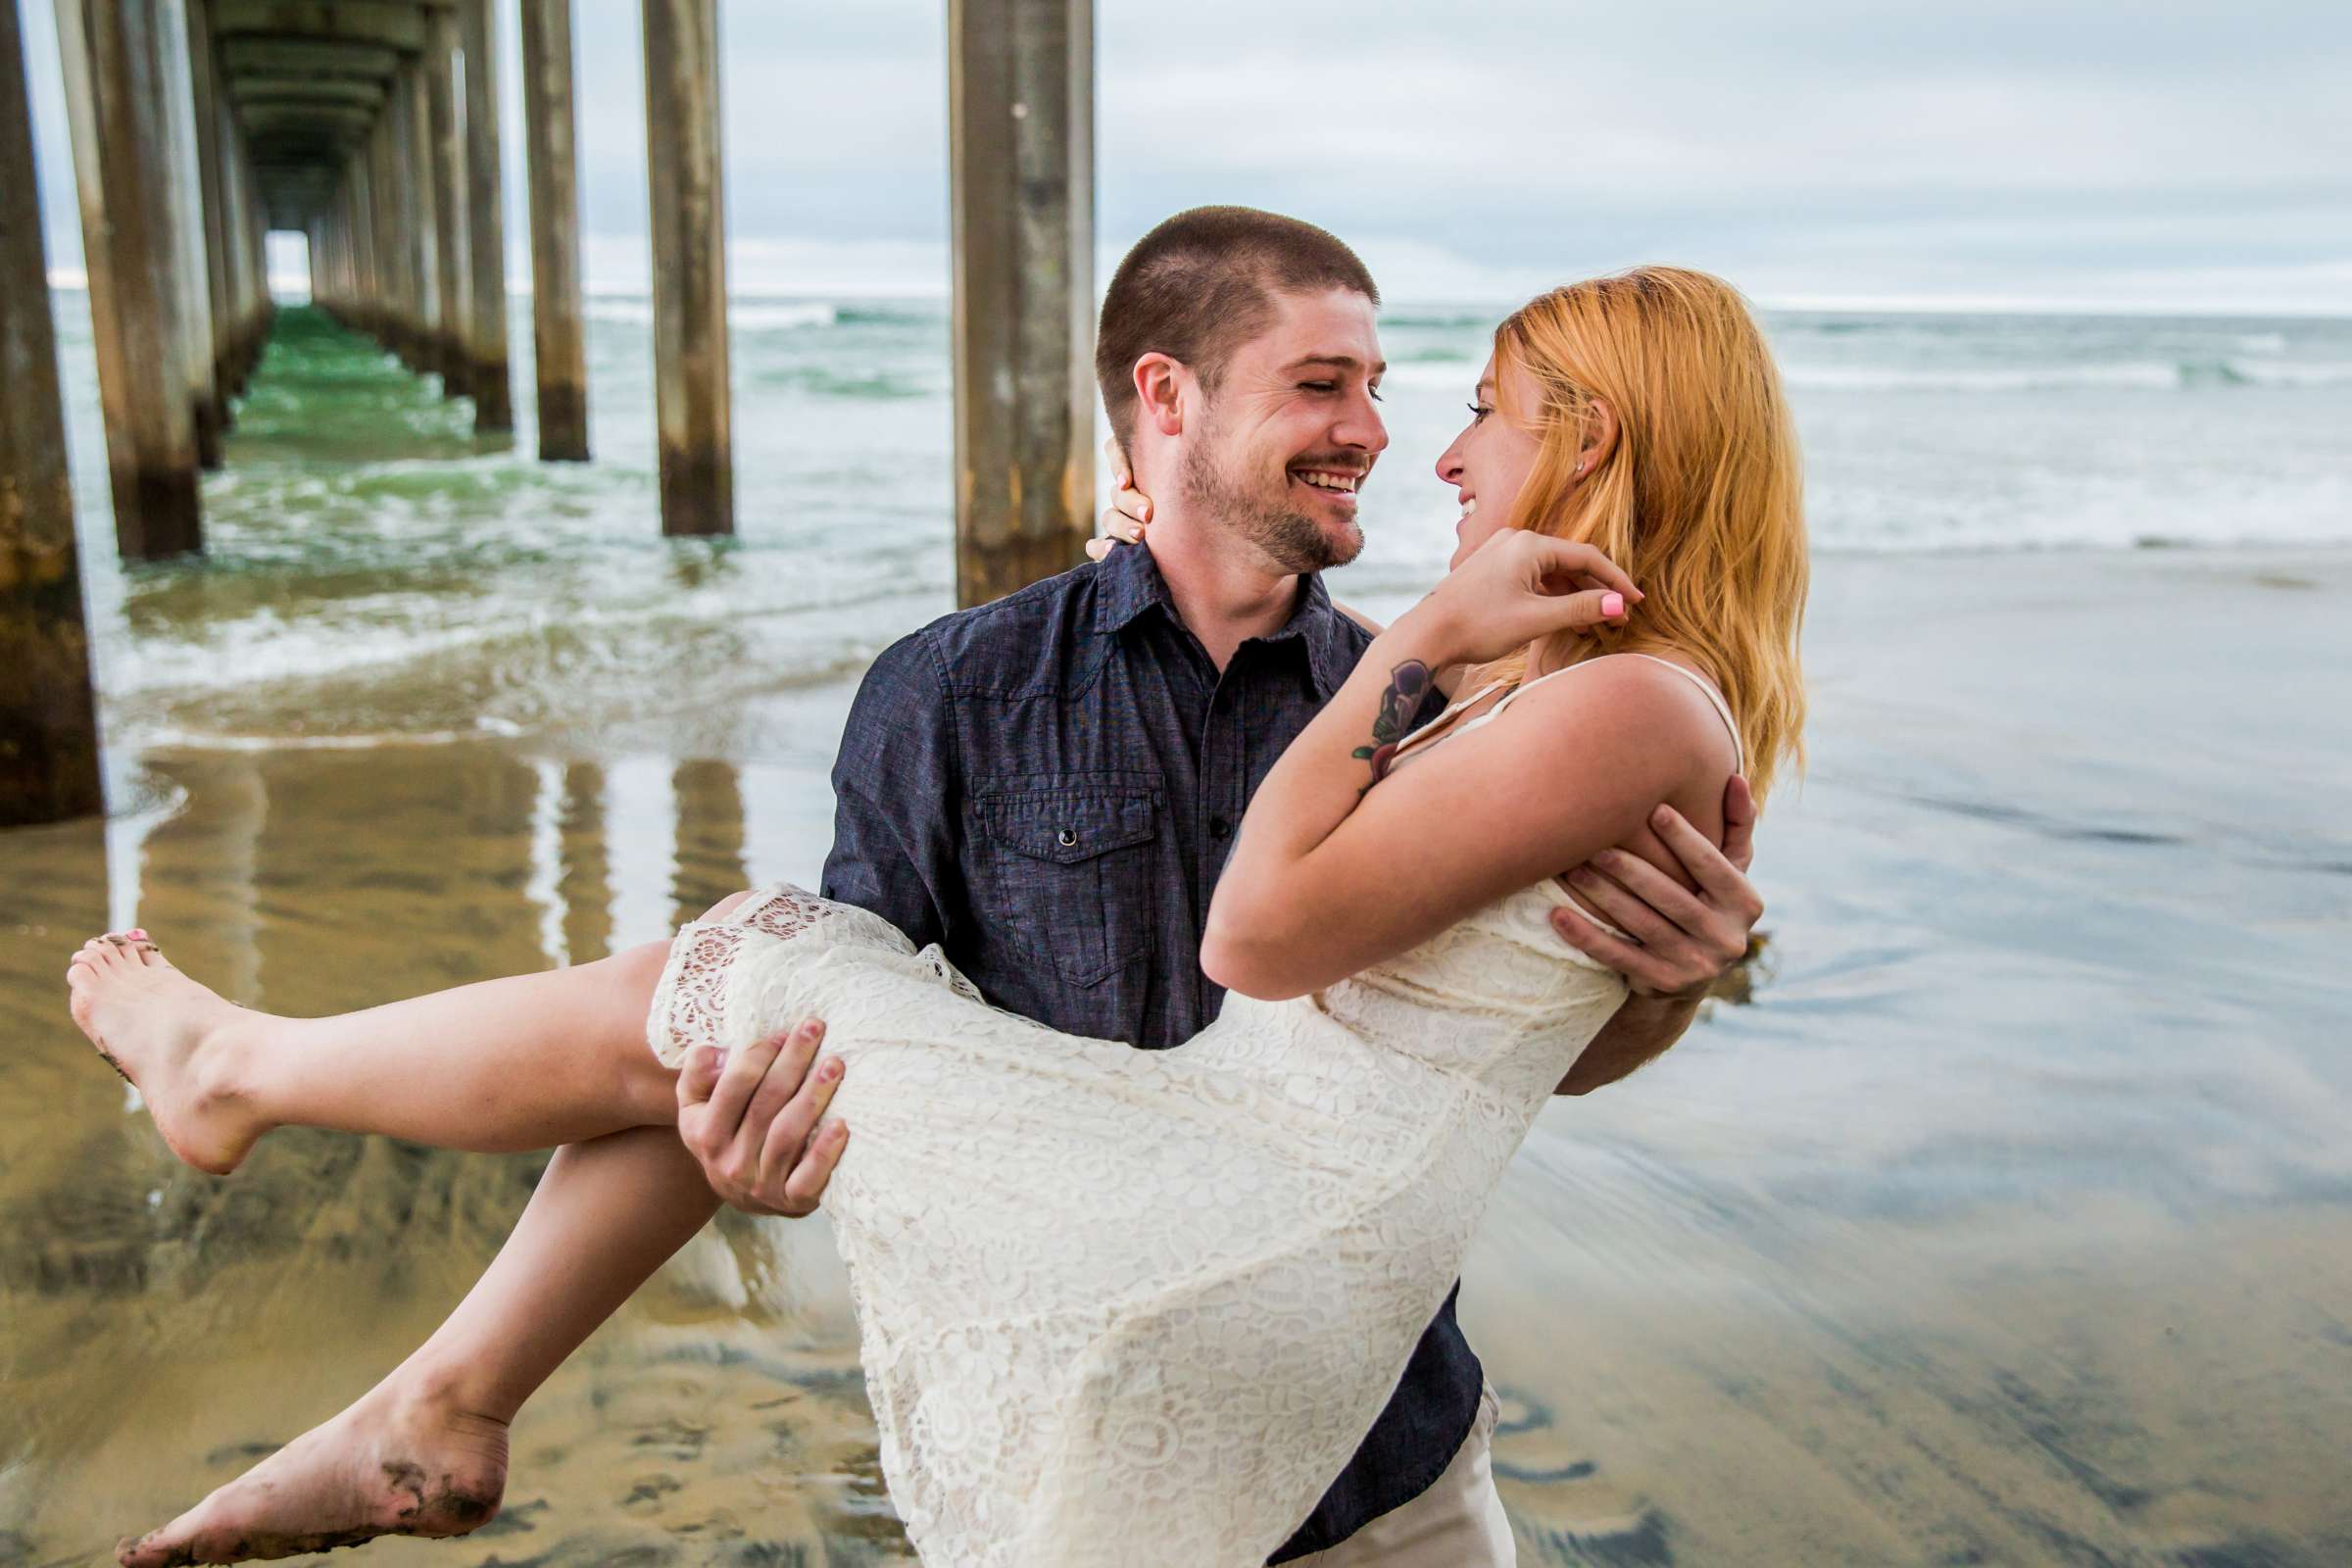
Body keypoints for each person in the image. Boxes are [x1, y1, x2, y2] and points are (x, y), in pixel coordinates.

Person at [66, 215, 1797, 1568]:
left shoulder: (1428, 695)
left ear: (1598, 430)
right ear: (1164, 400)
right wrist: (744, 1153)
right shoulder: (960, 691)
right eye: (1326, 387)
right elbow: (843, 1019)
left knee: (735, 966)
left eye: (1426, 395)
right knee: (747, 994)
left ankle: (279, 1137)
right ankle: (415, 1370)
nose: (1398, 440)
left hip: (1359, 1420)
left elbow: (1451, 1017)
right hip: (1108, 1354)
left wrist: (1657, 988)